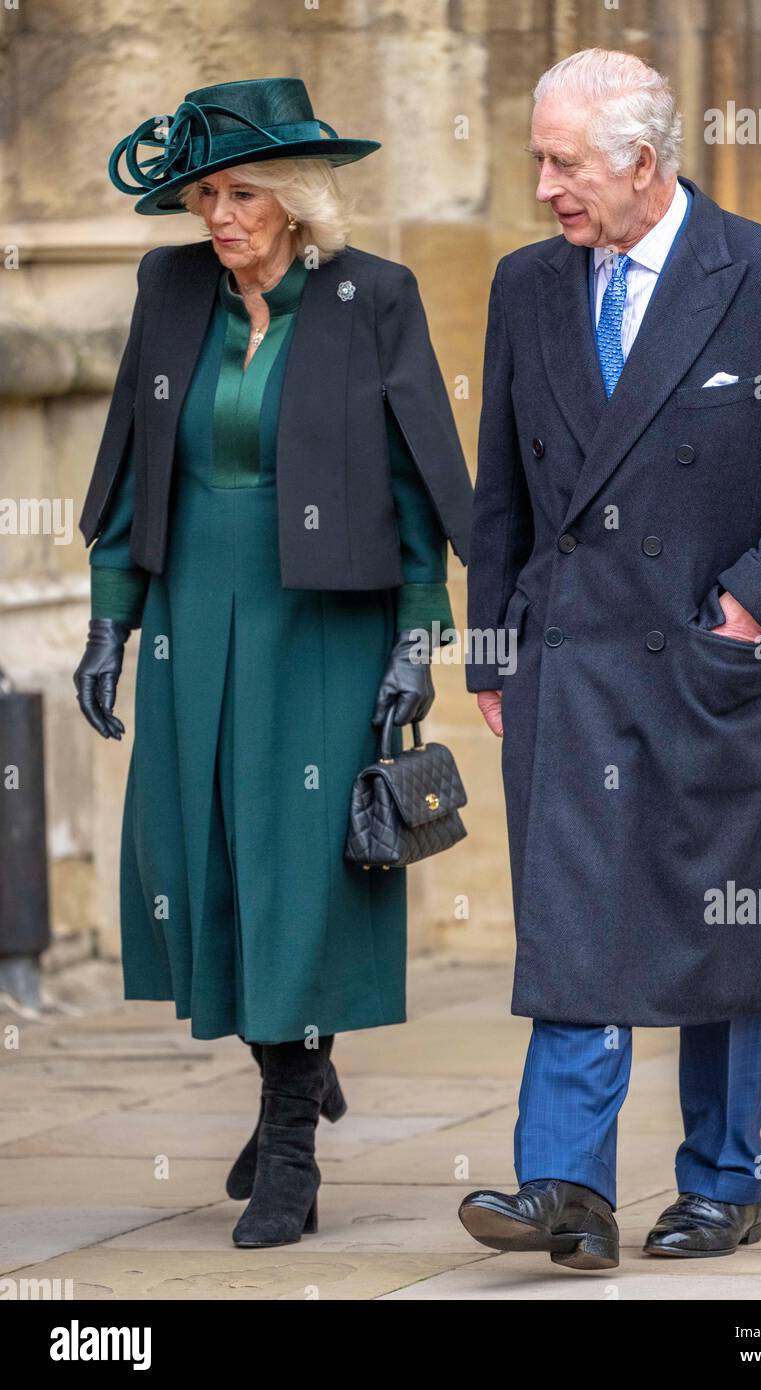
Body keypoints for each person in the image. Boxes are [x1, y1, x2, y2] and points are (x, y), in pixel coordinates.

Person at [459, 48, 761, 1271]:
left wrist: (751, 609)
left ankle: (723, 1176)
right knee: (573, 922)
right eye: (538, 157)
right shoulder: (527, 285)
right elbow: (499, 488)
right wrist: (493, 649)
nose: (543, 183)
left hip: (710, 661)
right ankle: (565, 1187)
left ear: (641, 162)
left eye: (563, 162)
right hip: (569, 660)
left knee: (719, 922)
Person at [74, 77, 472, 1250]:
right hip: (195, 603)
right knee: (205, 856)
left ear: (297, 200)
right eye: (204, 194)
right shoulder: (171, 287)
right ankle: (292, 1072)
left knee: (303, 866)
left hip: (325, 618)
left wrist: (417, 632)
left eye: (242, 192)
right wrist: (111, 617)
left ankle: (289, 1137)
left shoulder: (372, 297)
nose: (220, 216)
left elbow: (416, 478)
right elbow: (131, 456)